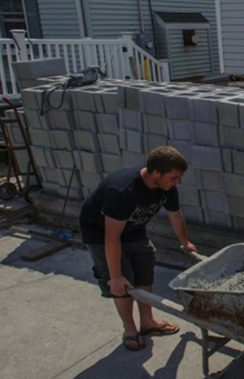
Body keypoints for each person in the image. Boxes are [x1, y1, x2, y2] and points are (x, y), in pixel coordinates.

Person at [80, 146, 197, 351]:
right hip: (101, 233)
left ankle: (148, 322)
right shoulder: (123, 190)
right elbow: (112, 238)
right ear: (155, 173)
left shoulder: (166, 188)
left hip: (133, 228)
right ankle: (130, 329)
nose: (177, 182)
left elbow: (175, 215)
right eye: (174, 177)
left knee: (144, 270)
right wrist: (115, 276)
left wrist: (184, 242)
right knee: (123, 283)